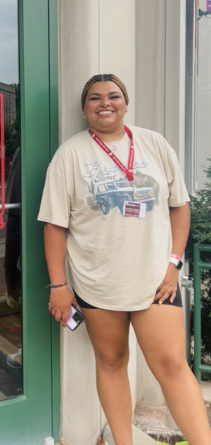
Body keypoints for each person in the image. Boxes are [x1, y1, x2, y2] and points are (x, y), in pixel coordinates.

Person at [38, 74, 211, 445]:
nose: (105, 103)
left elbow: (180, 208)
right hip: (98, 282)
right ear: (84, 108)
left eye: (114, 96)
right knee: (112, 362)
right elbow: (54, 225)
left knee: (173, 367)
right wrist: (58, 285)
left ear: (126, 103)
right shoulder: (70, 154)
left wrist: (174, 263)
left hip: (156, 281)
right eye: (95, 97)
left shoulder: (155, 144)